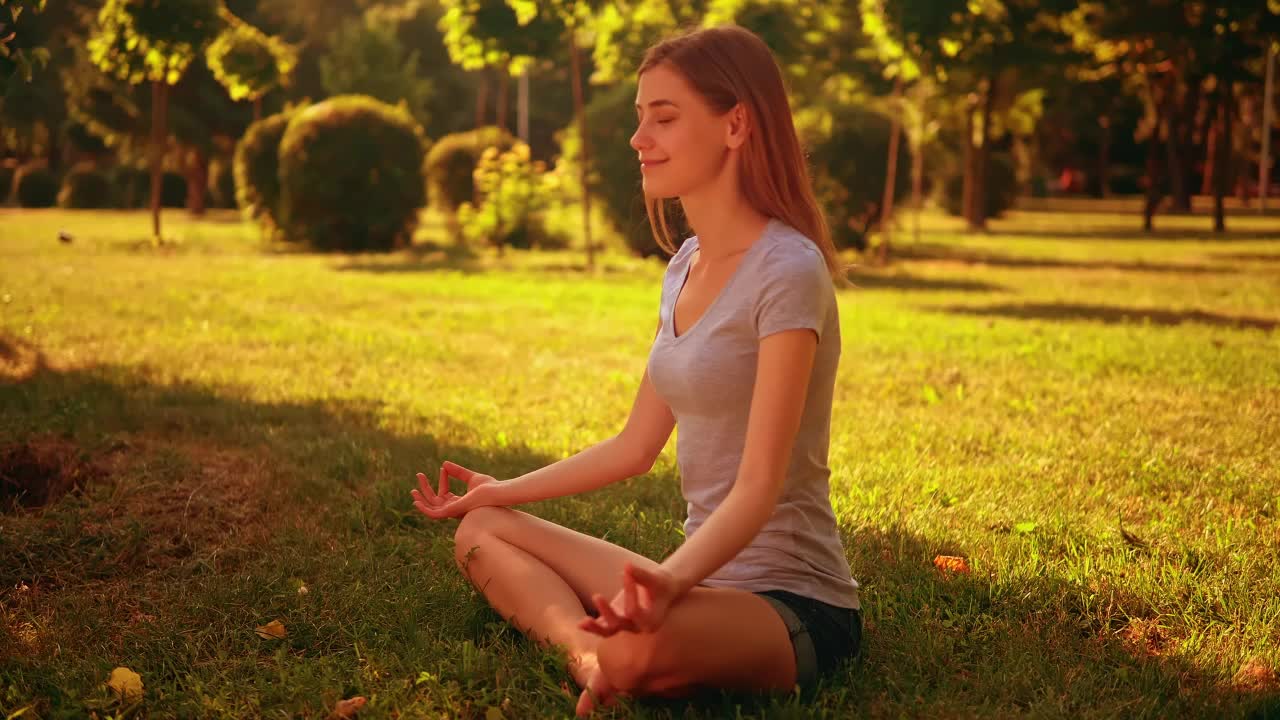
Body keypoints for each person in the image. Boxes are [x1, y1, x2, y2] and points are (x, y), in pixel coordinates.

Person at [410, 24, 861, 717]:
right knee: (483, 531)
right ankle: (589, 657)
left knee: (638, 645)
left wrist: (666, 583)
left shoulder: (788, 271)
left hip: (791, 603)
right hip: (695, 586)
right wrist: (504, 489)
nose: (639, 137)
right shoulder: (684, 267)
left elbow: (760, 486)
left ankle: (622, 658)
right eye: (640, 117)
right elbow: (634, 446)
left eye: (665, 117)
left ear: (736, 124)